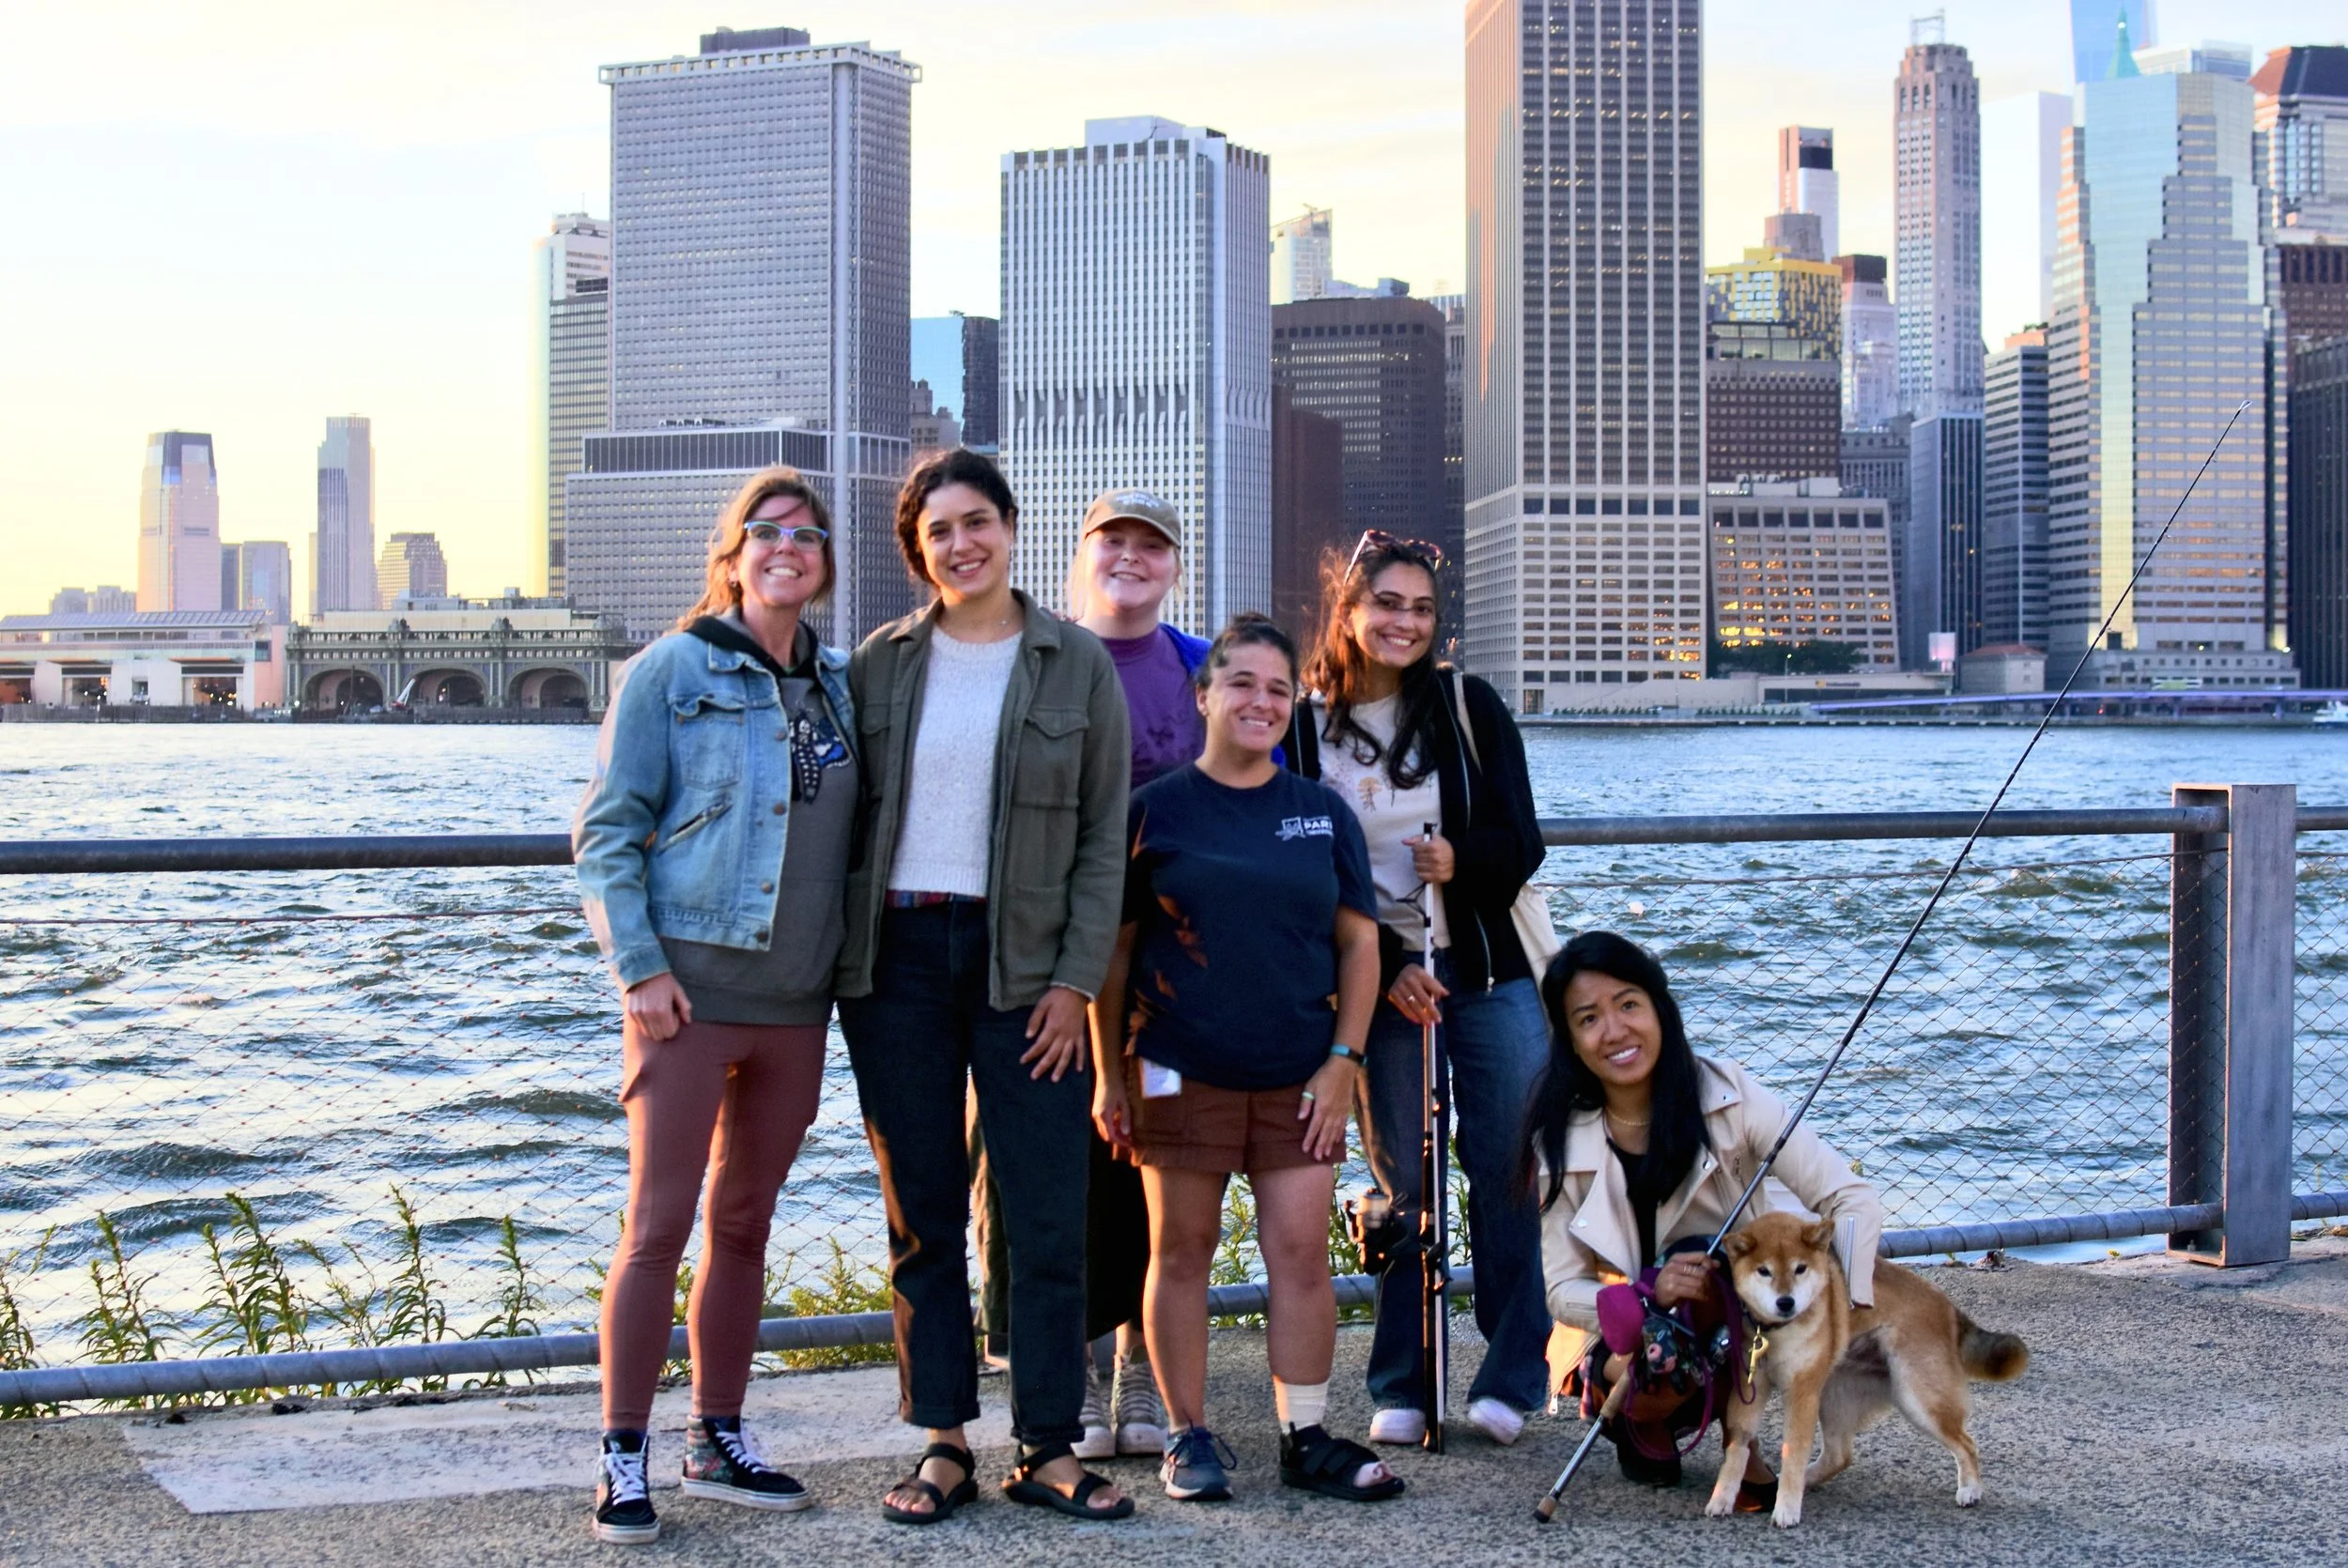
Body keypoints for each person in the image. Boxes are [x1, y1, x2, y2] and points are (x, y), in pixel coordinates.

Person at [834, 448, 1135, 1525]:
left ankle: (1047, 1442)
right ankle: (944, 1439)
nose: (961, 543)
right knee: (920, 1212)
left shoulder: (1074, 664)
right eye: (938, 530)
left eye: (977, 521)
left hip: (1026, 973)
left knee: (1044, 1209)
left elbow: (1106, 838)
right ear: (919, 550)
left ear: (1011, 526)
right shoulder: (878, 664)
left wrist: (1071, 982)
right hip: (898, 966)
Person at [573, 468, 858, 1545]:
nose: (788, 547)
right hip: (687, 994)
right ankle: (621, 1450)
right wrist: (637, 967)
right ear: (732, 554)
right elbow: (606, 830)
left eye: (807, 534)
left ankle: (718, 1435)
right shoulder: (670, 669)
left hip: (797, 1001)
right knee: (657, 1225)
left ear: (824, 560)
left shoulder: (840, 684)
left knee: (744, 1224)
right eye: (767, 532)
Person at [1093, 614, 1404, 1506]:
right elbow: (1112, 959)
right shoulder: (1155, 812)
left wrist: (1344, 1057)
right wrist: (1109, 1074)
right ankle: (1189, 1436)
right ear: (1205, 697)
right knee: (1180, 1250)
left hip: (1298, 1072)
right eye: (1242, 684)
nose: (1261, 701)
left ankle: (1305, 1433)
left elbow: (1360, 946)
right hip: (1172, 1065)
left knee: (1302, 1254)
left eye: (1279, 688)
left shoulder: (1320, 813)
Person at [1281, 532, 1554, 1449]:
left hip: (1484, 971)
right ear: (1350, 609)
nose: (1404, 621)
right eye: (1387, 603)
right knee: (1404, 1182)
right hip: (1378, 983)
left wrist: (1458, 858)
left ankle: (1516, 1370)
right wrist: (1385, 965)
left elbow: (1522, 841)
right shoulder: (1305, 725)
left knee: (1508, 1167)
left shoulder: (1469, 708)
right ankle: (1402, 1373)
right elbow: (1294, 868)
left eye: (1421, 608)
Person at [1524, 930, 1884, 1505]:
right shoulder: (1557, 1141)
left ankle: (1739, 1440)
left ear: (1660, 1009)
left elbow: (1850, 1198)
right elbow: (1561, 1287)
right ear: (1568, 1039)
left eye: (1629, 1005)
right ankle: (1640, 1417)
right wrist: (1645, 1293)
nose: (1614, 1031)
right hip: (1620, 1344)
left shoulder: (1731, 1095)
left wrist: (1838, 1303)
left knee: (1716, 1267)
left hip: (1735, 1325)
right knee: (1669, 1326)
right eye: (1588, 1018)